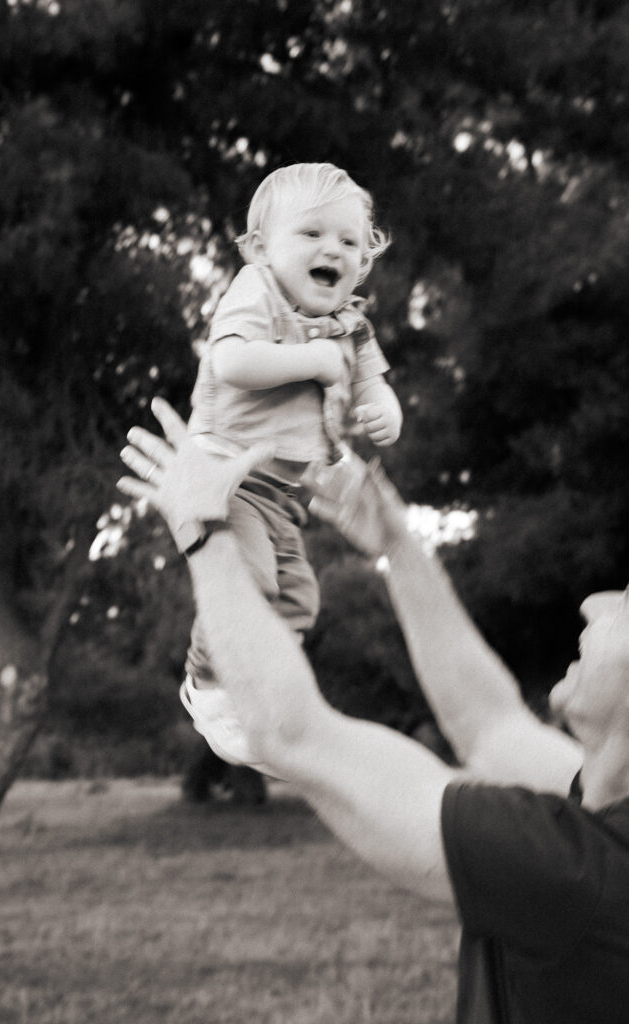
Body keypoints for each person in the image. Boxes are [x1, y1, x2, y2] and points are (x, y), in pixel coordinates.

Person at [118, 398, 629, 1024]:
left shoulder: (580, 871)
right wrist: (396, 541)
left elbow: (295, 737)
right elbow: (488, 721)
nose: (592, 607)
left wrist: (204, 529)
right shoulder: (609, 814)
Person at [184, 162, 402, 690]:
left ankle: (259, 689)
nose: (333, 250)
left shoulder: (351, 325)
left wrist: (386, 414)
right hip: (225, 475)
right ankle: (208, 683)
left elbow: (375, 385)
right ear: (261, 248)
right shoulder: (257, 288)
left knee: (299, 601)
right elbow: (231, 363)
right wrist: (315, 361)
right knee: (253, 579)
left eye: (350, 242)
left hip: (285, 494)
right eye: (311, 233)